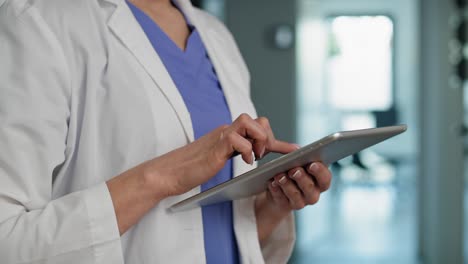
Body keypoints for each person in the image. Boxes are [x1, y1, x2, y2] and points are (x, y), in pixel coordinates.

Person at [0, 0, 332, 263]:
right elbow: (8, 240)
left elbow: (218, 238)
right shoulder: (38, 21)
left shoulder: (216, 34)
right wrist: (163, 177)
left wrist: (276, 204)